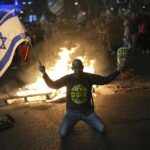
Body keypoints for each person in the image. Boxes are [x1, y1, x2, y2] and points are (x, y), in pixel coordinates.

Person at [39, 59, 121, 138]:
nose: (78, 70)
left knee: (103, 129)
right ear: (72, 69)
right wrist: (44, 73)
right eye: (75, 68)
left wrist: (117, 70)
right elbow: (53, 85)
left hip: (87, 112)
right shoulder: (68, 78)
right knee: (63, 133)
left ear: (83, 67)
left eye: (79, 67)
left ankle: (90, 123)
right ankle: (70, 124)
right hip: (72, 112)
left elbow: (105, 80)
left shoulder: (89, 77)